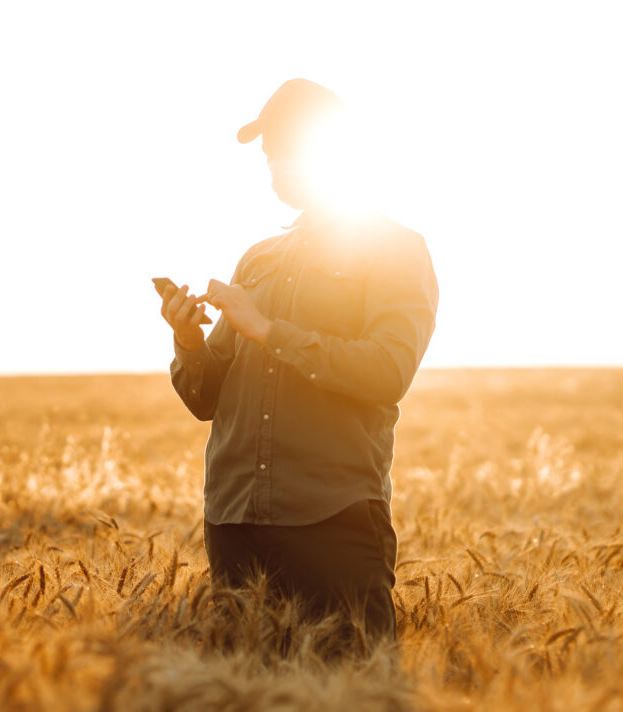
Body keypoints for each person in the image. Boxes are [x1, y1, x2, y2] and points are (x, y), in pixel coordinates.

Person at [158, 78, 439, 645]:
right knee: (245, 691)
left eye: (286, 151)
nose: (275, 167)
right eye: (269, 156)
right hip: (234, 521)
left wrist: (268, 330)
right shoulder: (257, 259)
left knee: (352, 689)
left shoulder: (394, 248)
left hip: (331, 519)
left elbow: (388, 371)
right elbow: (207, 398)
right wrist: (187, 339)